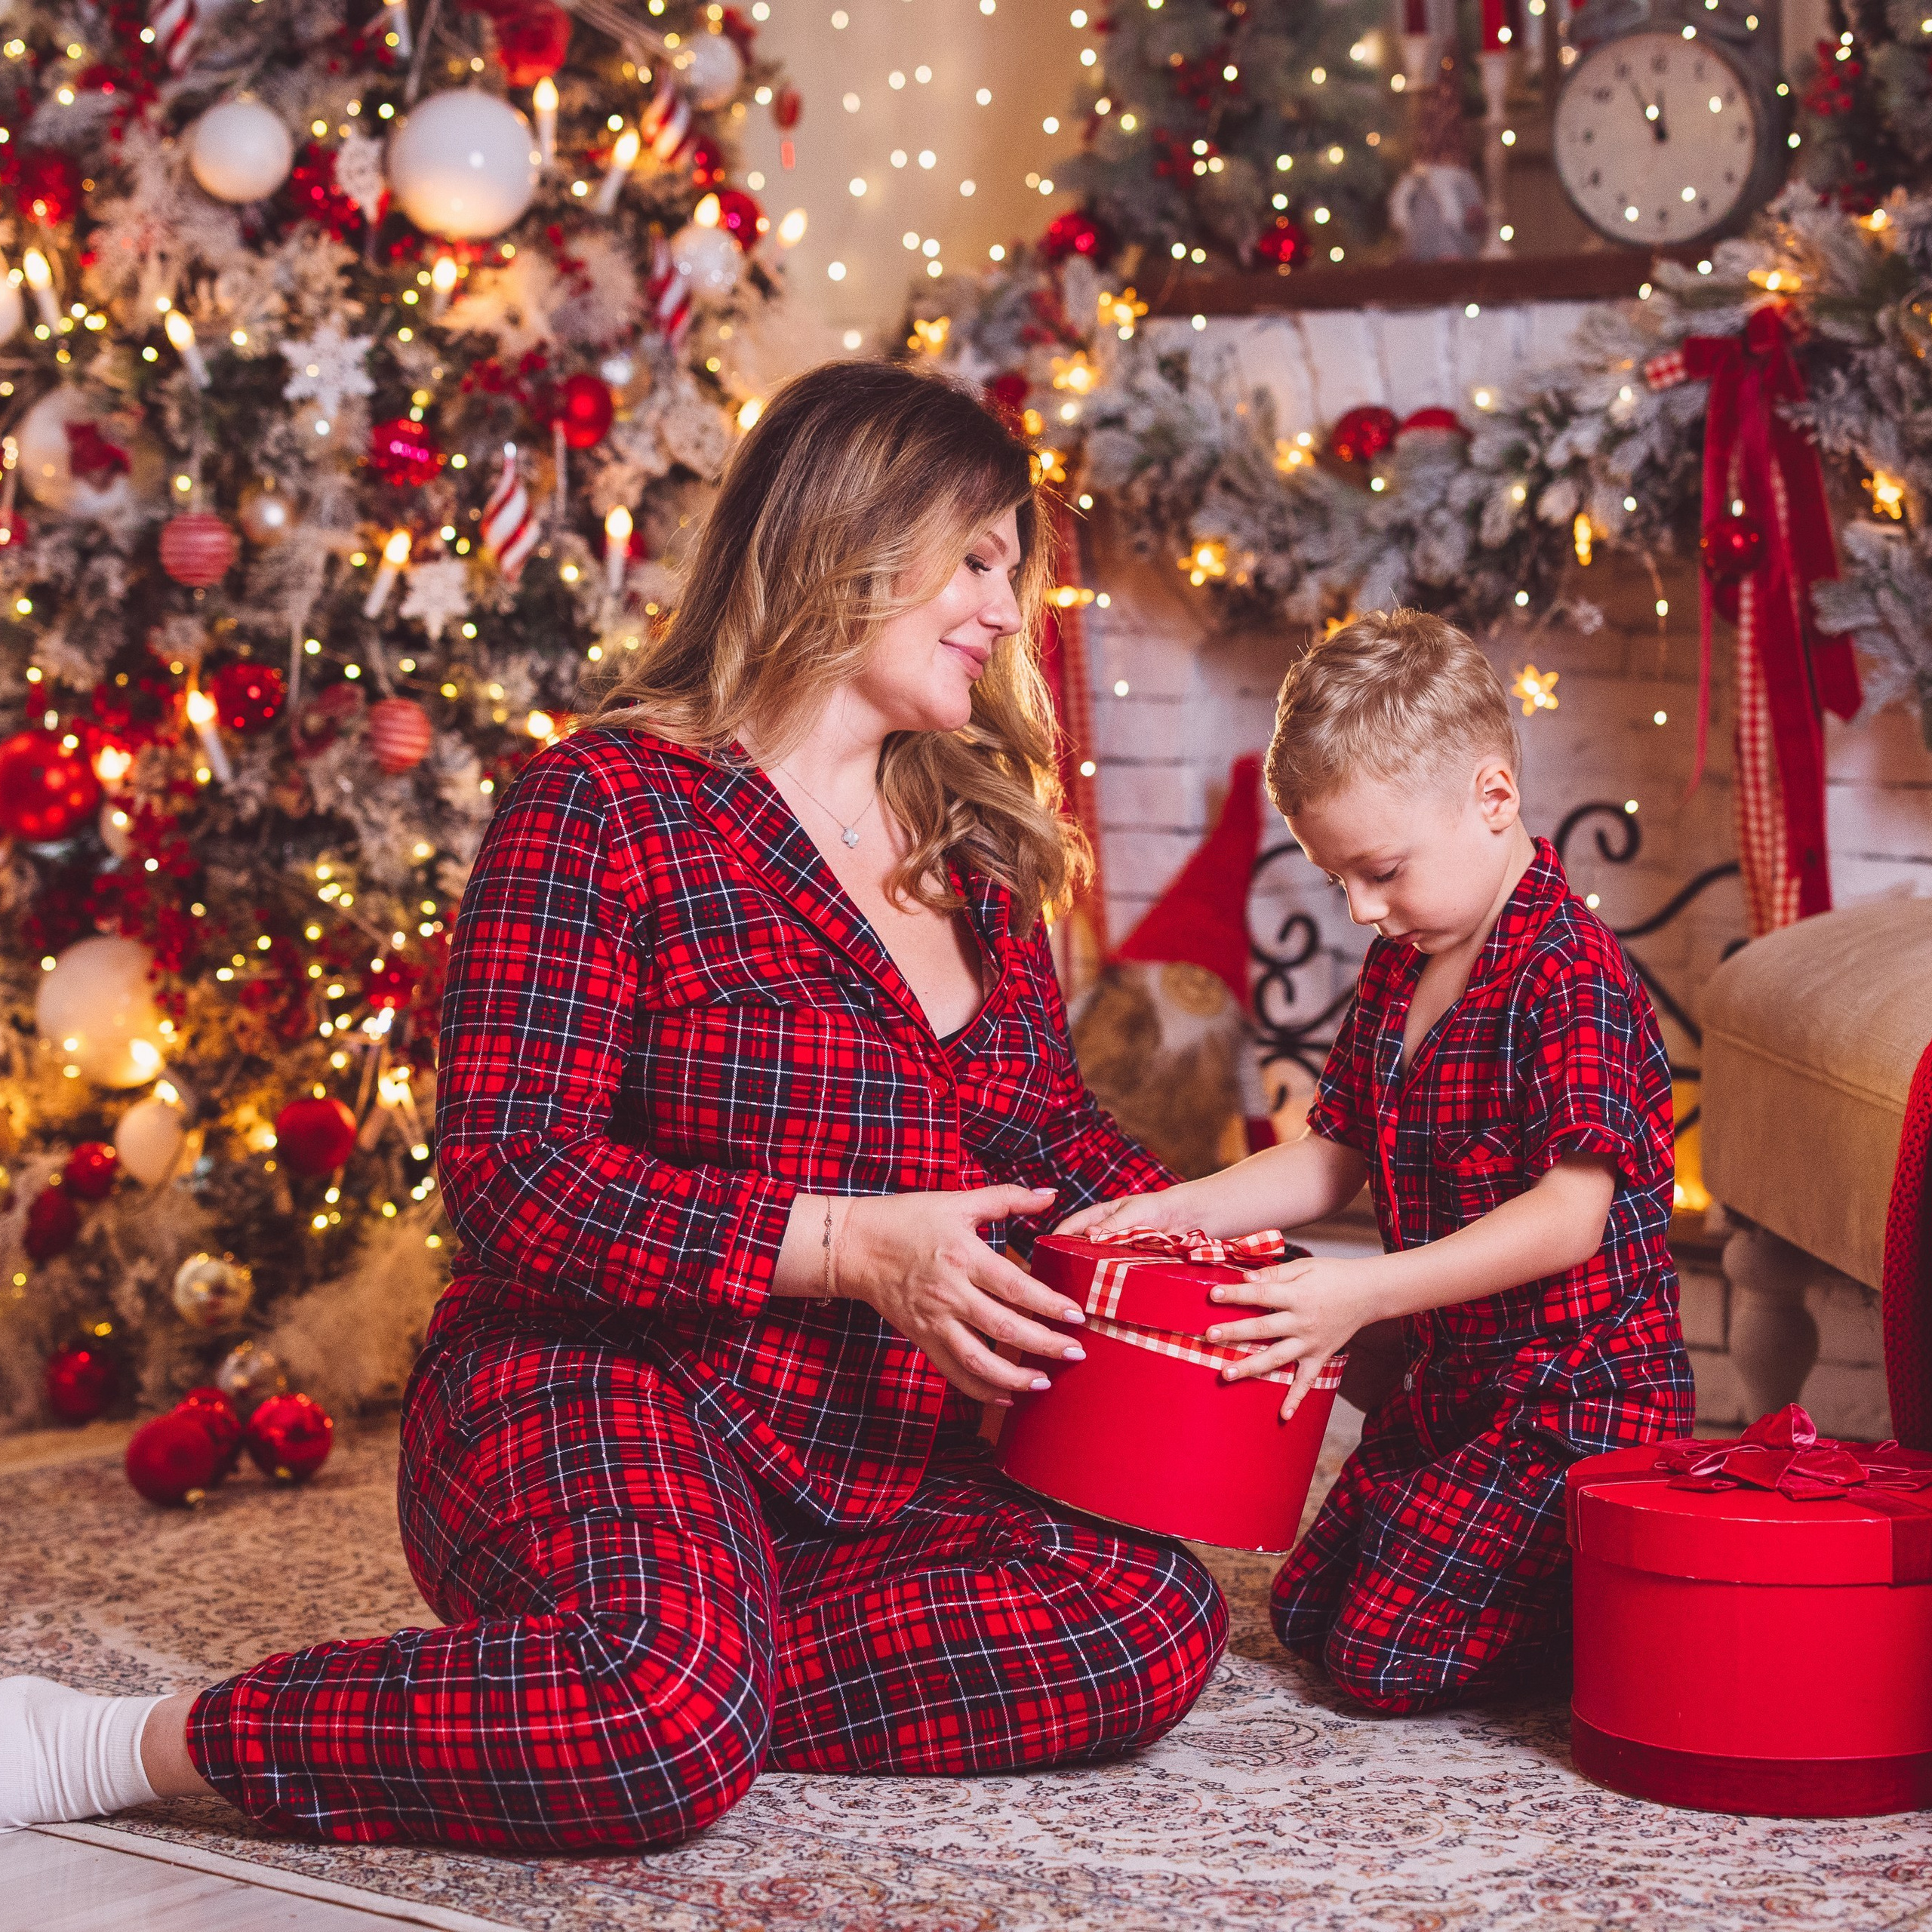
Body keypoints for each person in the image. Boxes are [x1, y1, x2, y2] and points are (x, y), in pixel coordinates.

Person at [1, 361, 1224, 1847]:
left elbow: (1047, 1136)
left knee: (1143, 1613)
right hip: (593, 1382)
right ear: (850, 536)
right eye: (973, 560)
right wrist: (847, 1246)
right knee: (663, 1714)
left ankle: (652, 1675)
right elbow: (512, 1172)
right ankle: (131, 1741)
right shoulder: (604, 803)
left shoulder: (972, 850)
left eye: (1008, 570)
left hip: (858, 1435)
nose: (1004, 609)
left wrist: (1236, 1257)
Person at [1062, 611, 1693, 1714]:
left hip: (1572, 1403)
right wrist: (1167, 1211)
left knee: (1378, 1659)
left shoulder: (1570, 977)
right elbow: (1330, 1158)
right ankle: (1496, 1564)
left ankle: (1619, 1600)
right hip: (1455, 1383)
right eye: (1340, 880)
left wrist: (1361, 1293)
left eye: (1383, 871)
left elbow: (1569, 1219)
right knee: (1307, 1610)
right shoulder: (1408, 962)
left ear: (1493, 798)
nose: (1362, 909)